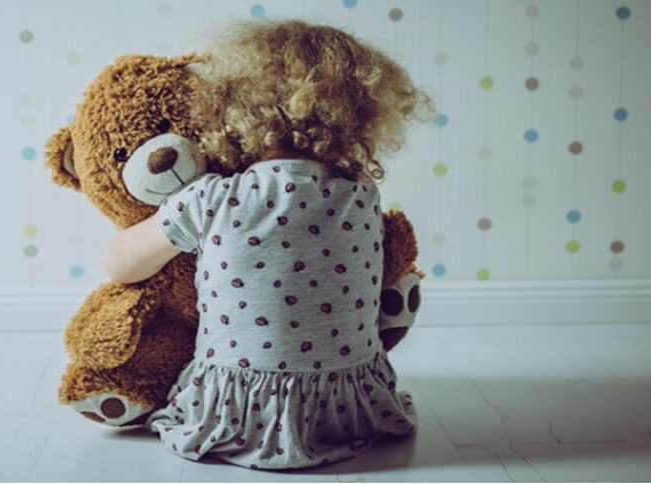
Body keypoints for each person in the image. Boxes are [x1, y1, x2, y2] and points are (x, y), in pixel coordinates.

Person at [104, 19, 433, 470]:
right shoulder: (360, 196)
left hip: (235, 411)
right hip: (344, 411)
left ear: (232, 109)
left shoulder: (211, 198)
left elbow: (121, 266)